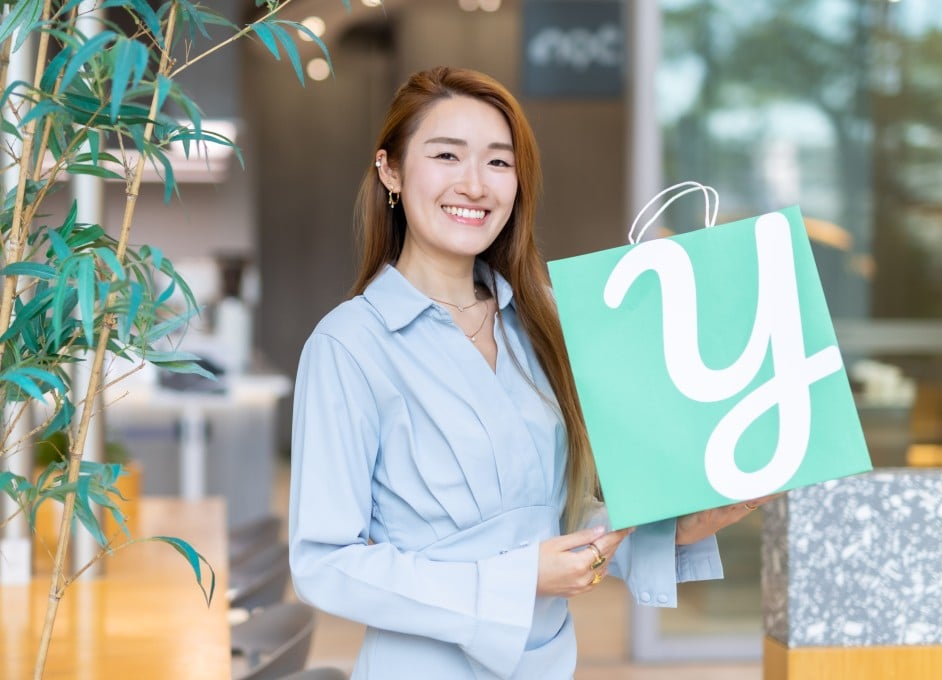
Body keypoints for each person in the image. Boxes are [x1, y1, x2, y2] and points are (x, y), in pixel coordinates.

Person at [288, 66, 771, 679]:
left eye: (498, 162)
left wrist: (675, 529)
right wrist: (518, 580)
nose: (474, 184)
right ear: (390, 170)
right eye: (446, 155)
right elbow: (324, 565)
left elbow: (555, 520)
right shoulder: (348, 345)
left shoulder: (542, 320)